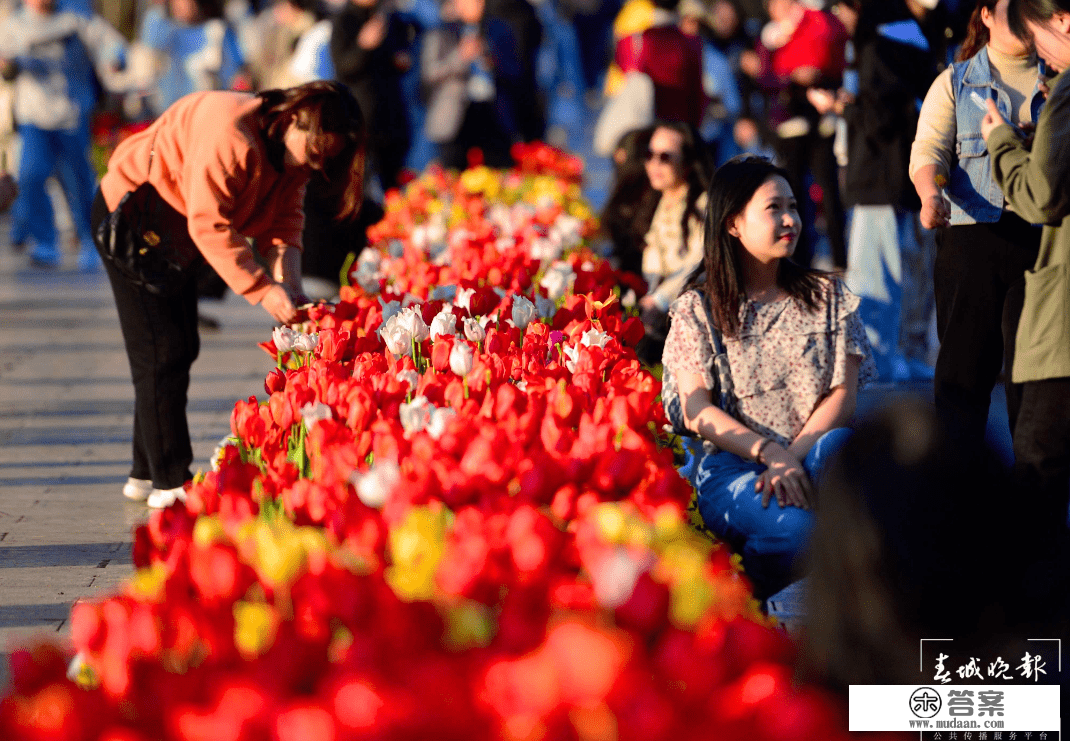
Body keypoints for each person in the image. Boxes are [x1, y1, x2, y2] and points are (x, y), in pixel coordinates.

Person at [92, 81, 366, 509]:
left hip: (175, 234)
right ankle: (170, 481)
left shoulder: (291, 162)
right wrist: (263, 291)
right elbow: (210, 225)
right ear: (294, 118)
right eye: (314, 153)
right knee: (161, 349)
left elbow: (285, 228)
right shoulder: (230, 131)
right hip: (131, 217)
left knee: (177, 347)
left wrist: (290, 290)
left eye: (325, 162)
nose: (315, 166)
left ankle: (143, 470)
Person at [661, 155, 876, 600]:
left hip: (811, 452)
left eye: (793, 206)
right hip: (733, 467)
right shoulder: (698, 309)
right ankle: (738, 602)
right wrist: (767, 451)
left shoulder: (827, 296)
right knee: (801, 535)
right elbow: (697, 409)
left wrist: (789, 456)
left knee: (847, 456)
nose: (789, 220)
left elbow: (843, 397)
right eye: (773, 208)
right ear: (733, 224)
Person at [911, 0, 1044, 447]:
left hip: (1042, 244)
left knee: (1036, 384)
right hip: (972, 240)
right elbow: (929, 149)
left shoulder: (1059, 79)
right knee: (962, 379)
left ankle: (1036, 500)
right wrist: (931, 195)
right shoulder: (955, 80)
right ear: (985, 15)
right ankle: (956, 494)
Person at [981, 0, 1070, 629]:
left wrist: (1001, 141)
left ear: (1063, 21)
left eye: (1040, 38)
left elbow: (1041, 196)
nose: (1039, 53)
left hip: (1062, 326)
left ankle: (1034, 648)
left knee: (1038, 473)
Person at [829, 0, 946, 381]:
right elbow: (893, 108)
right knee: (892, 274)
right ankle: (887, 358)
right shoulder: (900, 30)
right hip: (894, 175)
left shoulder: (888, 35)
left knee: (891, 275)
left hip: (889, 176)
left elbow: (877, 110)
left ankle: (885, 358)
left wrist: (845, 107)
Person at [0, 0, 126, 271]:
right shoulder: (14, 25)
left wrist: (115, 59)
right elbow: (6, 64)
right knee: (31, 177)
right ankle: (46, 243)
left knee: (78, 182)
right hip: (33, 116)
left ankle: (90, 242)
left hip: (72, 114)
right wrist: (8, 67)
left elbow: (111, 44)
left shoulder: (75, 19)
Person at [741, 0, 849, 269]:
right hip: (789, 124)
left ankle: (840, 259)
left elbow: (833, 57)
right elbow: (765, 78)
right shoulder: (769, 38)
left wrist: (817, 76)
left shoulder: (815, 23)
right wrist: (791, 78)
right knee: (794, 193)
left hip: (821, 119)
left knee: (829, 190)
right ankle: (798, 259)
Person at [637, 120, 711, 364]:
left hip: (693, 324)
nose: (654, 164)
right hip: (655, 316)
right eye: (650, 154)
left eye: (665, 157)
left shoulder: (703, 204)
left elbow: (701, 262)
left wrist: (659, 299)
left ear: (688, 162)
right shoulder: (656, 199)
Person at [421, 0, 522, 170]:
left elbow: (516, 70)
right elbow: (429, 73)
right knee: (452, 177)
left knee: (499, 172)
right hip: (454, 117)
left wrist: (490, 60)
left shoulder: (499, 29)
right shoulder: (442, 31)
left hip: (493, 113)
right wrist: (461, 56)